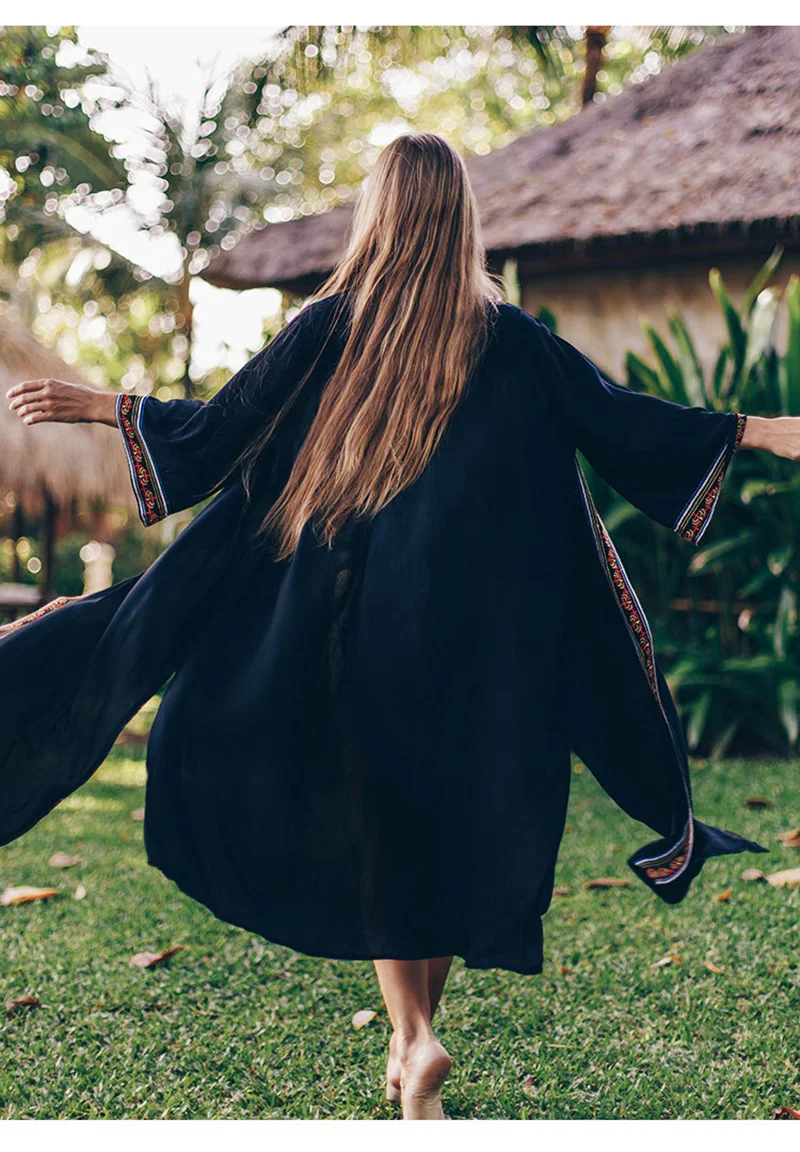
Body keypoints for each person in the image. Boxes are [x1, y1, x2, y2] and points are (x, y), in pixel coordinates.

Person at [2, 132, 796, 1121]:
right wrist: (762, 430)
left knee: (383, 834)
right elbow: (621, 417)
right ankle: (411, 1049)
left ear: (377, 212)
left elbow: (218, 432)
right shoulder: (509, 340)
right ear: (461, 217)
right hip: (476, 651)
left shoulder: (328, 325)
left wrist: (100, 404)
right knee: (439, 834)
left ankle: (412, 1038)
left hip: (342, 641)